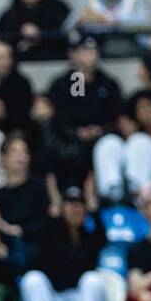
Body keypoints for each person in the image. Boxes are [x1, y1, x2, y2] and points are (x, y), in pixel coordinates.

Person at [17, 186, 107, 301]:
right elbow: (38, 252)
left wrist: (95, 212)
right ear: (62, 209)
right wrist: (52, 218)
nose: (75, 209)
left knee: (93, 279)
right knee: (32, 279)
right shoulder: (51, 235)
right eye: (70, 205)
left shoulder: (90, 238)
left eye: (79, 205)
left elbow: (102, 239)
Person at [45, 30, 124, 191]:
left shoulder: (108, 84)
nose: (90, 54)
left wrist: (100, 130)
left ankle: (111, 193)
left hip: (102, 139)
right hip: (68, 142)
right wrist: (76, 132)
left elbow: (115, 116)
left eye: (93, 50)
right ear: (72, 54)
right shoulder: (64, 84)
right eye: (84, 50)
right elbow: (59, 117)